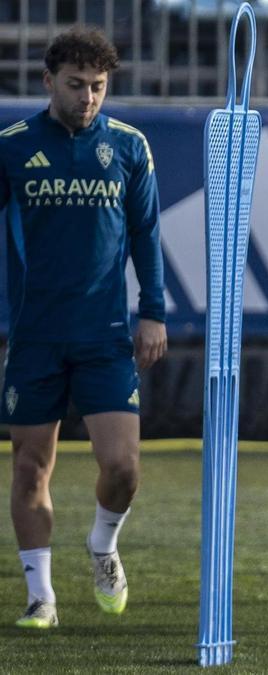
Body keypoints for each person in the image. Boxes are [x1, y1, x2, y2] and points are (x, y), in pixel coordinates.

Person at [0, 26, 166, 629]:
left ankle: (102, 545)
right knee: (29, 467)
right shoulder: (13, 145)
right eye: (76, 85)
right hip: (34, 334)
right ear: (48, 82)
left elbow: (147, 233)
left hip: (105, 334)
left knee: (123, 467)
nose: (88, 97)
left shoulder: (127, 145)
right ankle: (41, 596)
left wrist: (154, 310)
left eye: (98, 87)